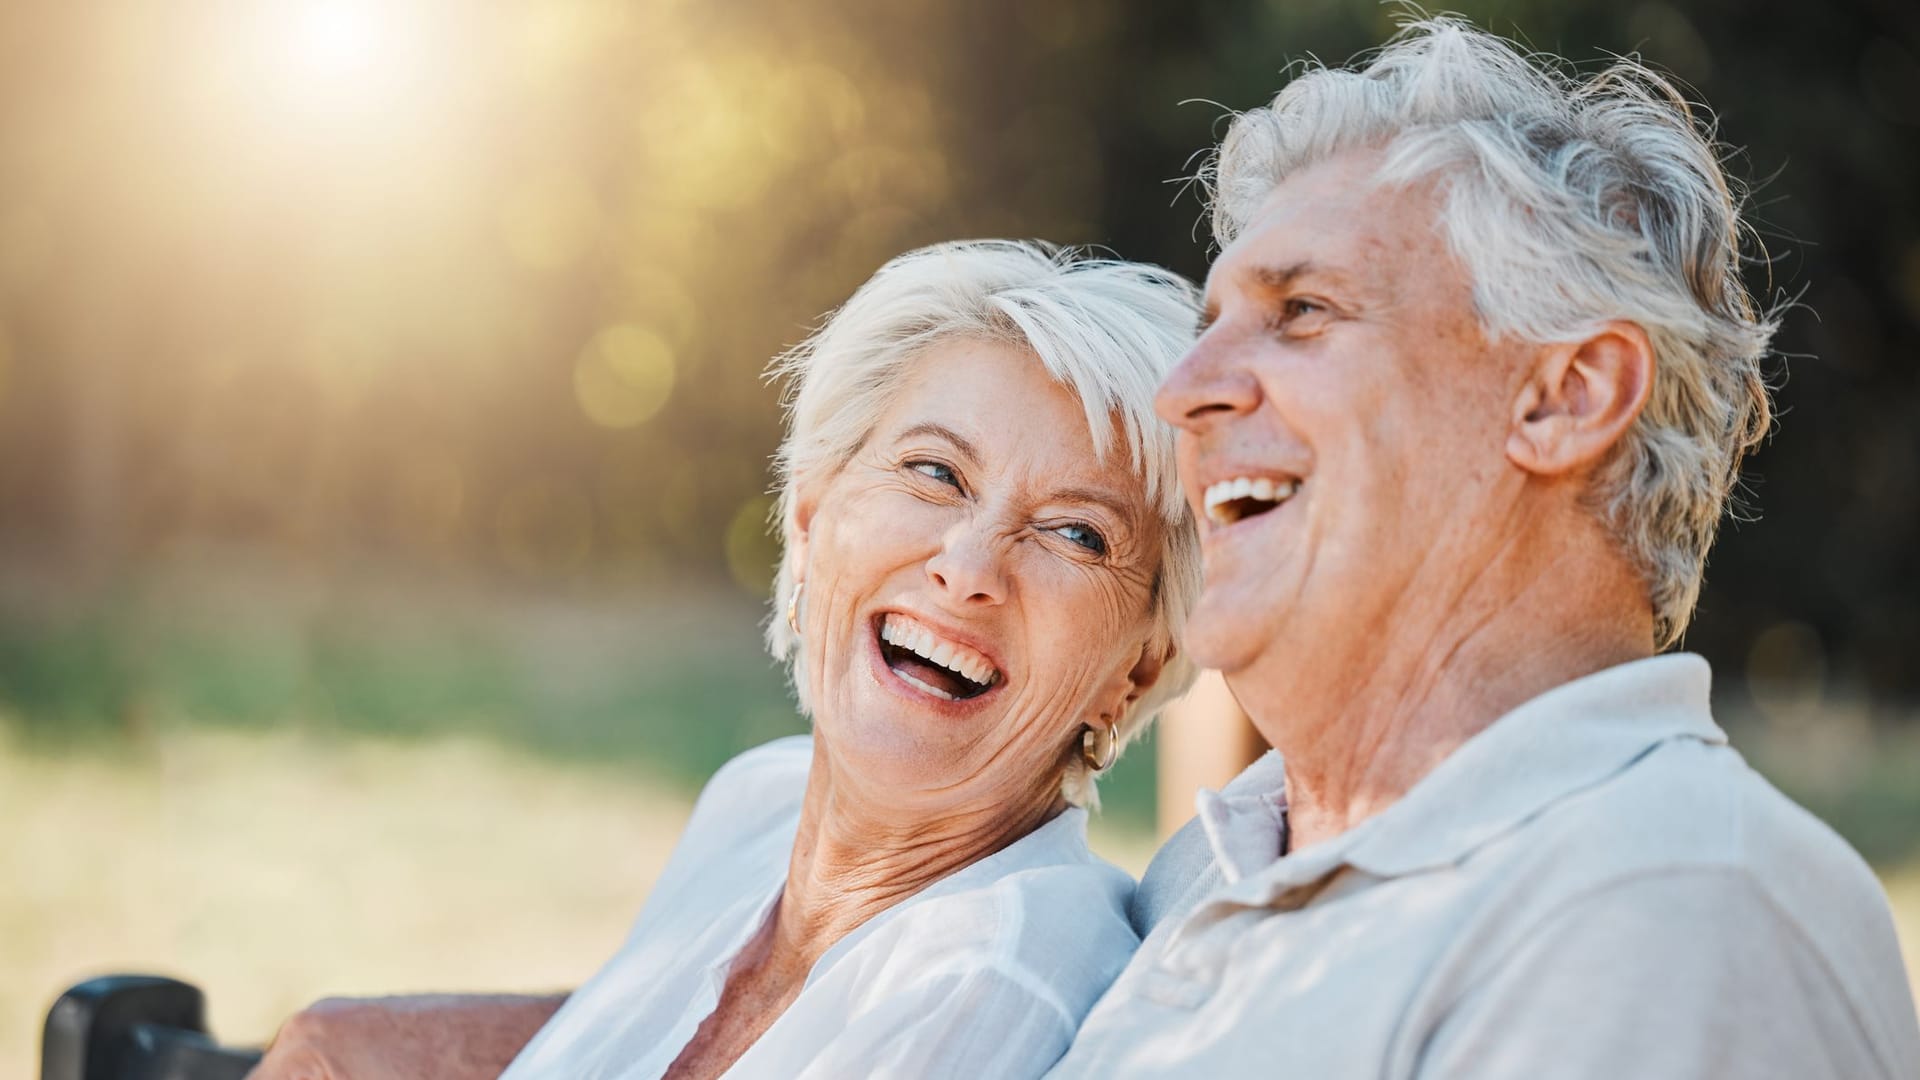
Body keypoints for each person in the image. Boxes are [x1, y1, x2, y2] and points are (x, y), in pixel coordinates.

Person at [1050, 16, 1920, 1078]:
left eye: (1304, 311)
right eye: (1210, 326)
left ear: (1566, 399)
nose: (1182, 393)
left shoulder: (1670, 905)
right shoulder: (1203, 873)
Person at [250, 239, 1205, 1080]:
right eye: (934, 472)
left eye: (1078, 535)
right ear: (811, 513)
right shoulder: (757, 806)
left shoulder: (989, 971)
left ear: (1135, 668)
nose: (969, 568)